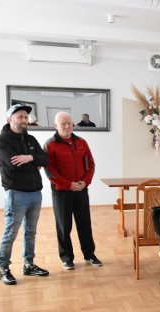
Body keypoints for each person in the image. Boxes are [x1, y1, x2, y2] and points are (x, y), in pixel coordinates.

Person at [0, 104, 50, 285]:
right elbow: (13, 164)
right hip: (16, 194)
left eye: (26, 117)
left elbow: (46, 159)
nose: (24, 120)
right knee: (11, 232)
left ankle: (29, 264)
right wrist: (34, 162)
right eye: (20, 117)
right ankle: (4, 268)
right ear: (10, 119)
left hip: (35, 193)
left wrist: (30, 158)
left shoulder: (31, 139)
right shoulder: (2, 141)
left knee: (31, 232)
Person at [44, 111, 102, 270]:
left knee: (85, 224)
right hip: (62, 192)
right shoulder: (50, 144)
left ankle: (89, 254)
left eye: (70, 123)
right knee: (64, 226)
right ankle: (67, 258)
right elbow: (50, 171)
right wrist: (68, 185)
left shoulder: (82, 142)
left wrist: (86, 182)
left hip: (81, 189)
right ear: (56, 126)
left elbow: (90, 164)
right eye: (63, 123)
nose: (67, 126)